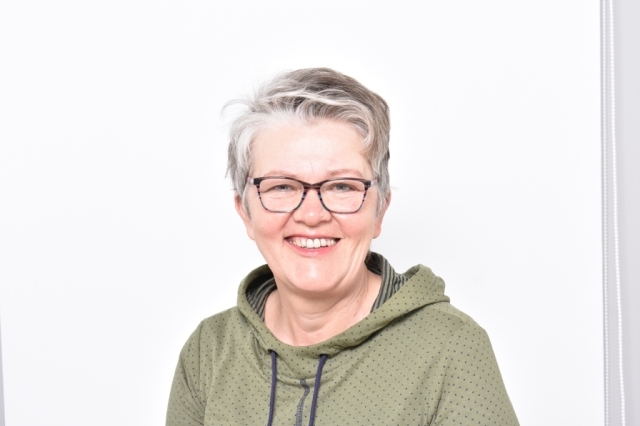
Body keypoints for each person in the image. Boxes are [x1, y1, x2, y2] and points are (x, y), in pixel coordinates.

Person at [166, 68, 519, 425]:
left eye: (342, 187)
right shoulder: (208, 353)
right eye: (282, 186)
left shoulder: (450, 350)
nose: (312, 215)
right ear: (245, 212)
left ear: (380, 209)